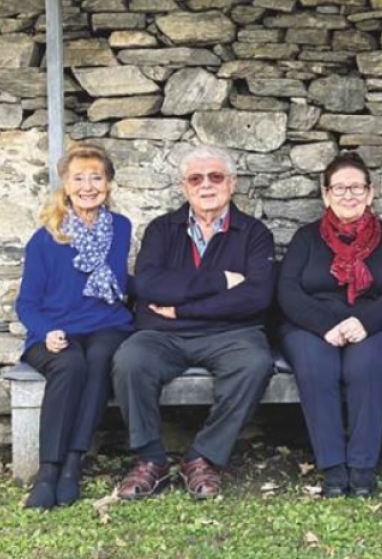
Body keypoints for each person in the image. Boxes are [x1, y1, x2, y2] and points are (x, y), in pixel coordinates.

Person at [112, 145, 276, 500]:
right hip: (163, 334)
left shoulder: (254, 233)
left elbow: (256, 297)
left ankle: (202, 457)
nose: (206, 185)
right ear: (184, 186)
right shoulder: (162, 229)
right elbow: (148, 285)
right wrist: (221, 282)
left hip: (230, 334)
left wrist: (183, 309)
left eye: (215, 176)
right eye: (195, 178)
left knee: (255, 363)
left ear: (232, 183)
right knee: (130, 359)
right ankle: (151, 459)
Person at [278, 152, 382, 498]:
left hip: (375, 325)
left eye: (356, 187)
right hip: (311, 324)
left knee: (366, 365)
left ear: (370, 192)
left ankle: (362, 467)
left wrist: (366, 322)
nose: (348, 195)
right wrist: (326, 325)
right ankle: (333, 466)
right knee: (316, 364)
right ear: (325, 194)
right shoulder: (306, 238)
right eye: (339, 188)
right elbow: (287, 291)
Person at [15, 143, 134, 510]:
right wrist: (46, 331)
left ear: (108, 184)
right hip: (54, 330)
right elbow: (26, 303)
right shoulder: (46, 238)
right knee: (70, 364)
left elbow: (120, 283)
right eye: (78, 178)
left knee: (98, 359)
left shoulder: (121, 228)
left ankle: (72, 464)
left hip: (107, 323)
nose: (88, 187)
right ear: (65, 186)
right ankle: (48, 471)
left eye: (96, 178)